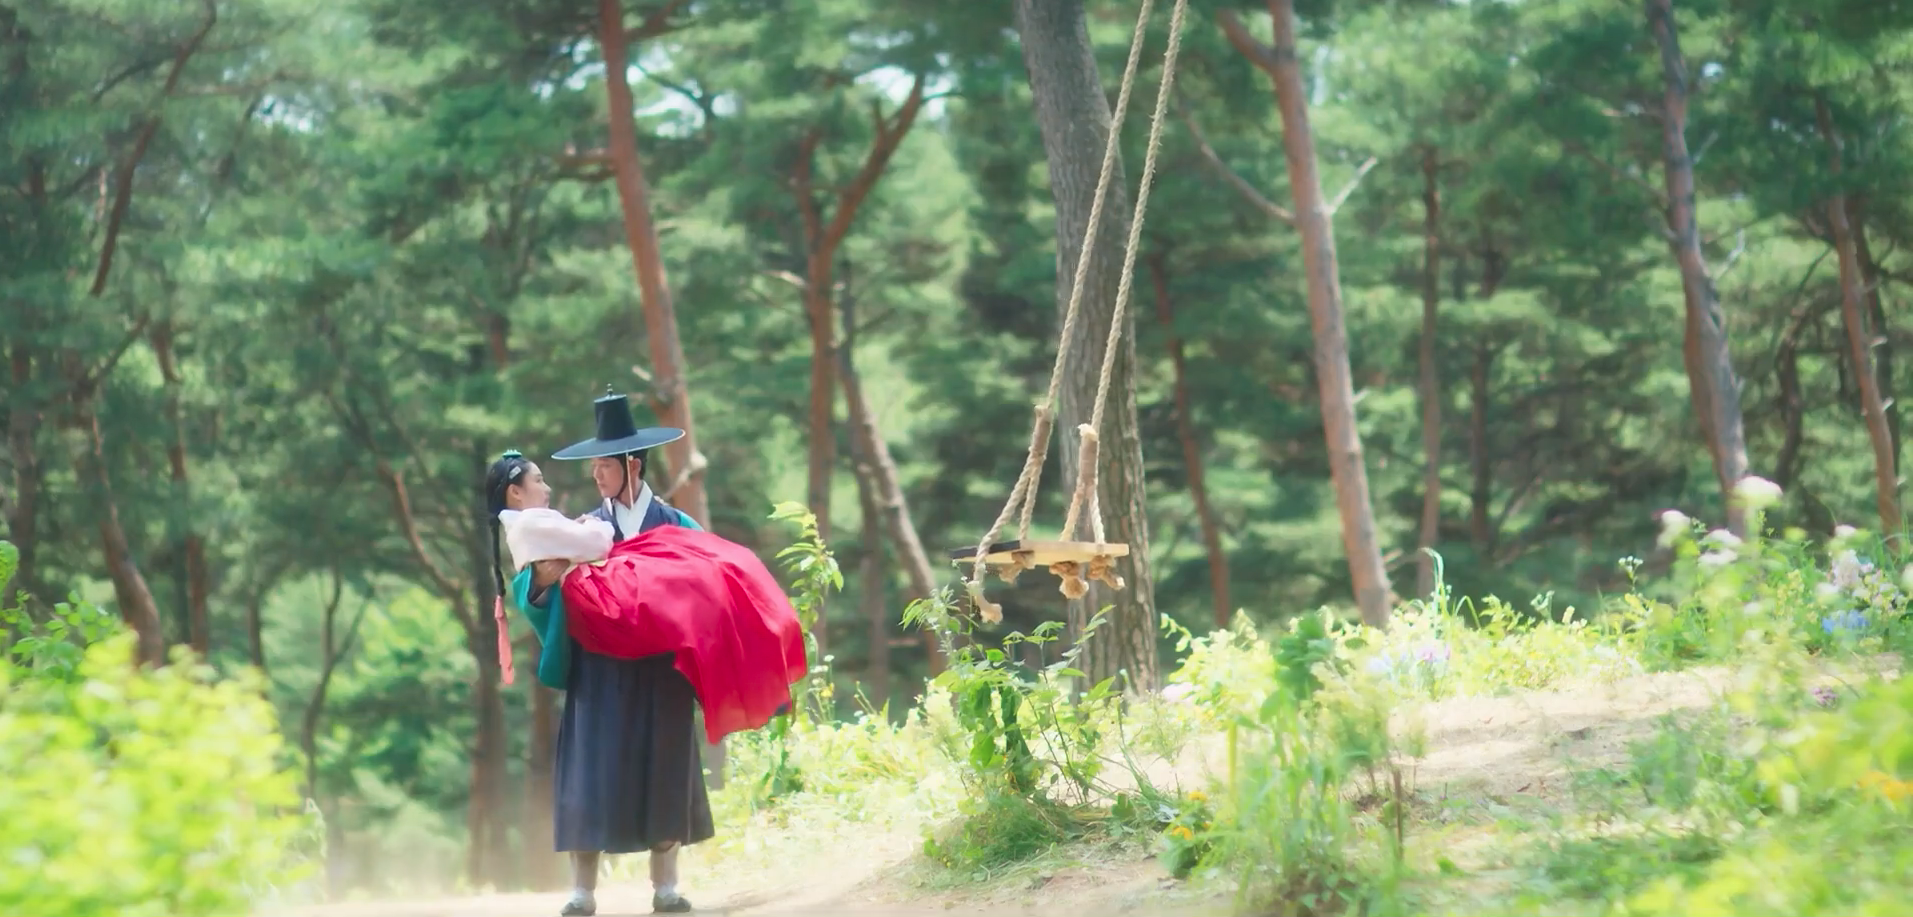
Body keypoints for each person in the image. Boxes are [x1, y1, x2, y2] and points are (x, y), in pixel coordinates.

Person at [484, 389, 711, 917]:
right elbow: (531, 589)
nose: (595, 474)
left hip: (661, 667)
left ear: (633, 465)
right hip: (598, 667)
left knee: (664, 767)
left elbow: (708, 584)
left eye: (604, 465)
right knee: (590, 773)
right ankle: (582, 891)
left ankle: (666, 886)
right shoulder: (577, 529)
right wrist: (543, 584)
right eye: (593, 465)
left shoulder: (676, 526)